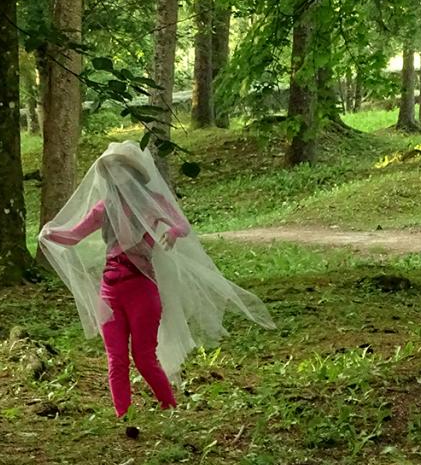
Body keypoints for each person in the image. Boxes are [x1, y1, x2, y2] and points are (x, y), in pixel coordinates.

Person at [38, 141, 274, 428]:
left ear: (130, 172)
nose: (113, 174)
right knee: (116, 359)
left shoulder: (152, 202)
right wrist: (51, 233)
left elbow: (182, 225)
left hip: (142, 287)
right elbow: (73, 236)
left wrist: (173, 232)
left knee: (144, 356)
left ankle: (169, 407)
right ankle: (123, 416)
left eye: (118, 168)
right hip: (110, 290)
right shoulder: (105, 208)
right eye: (109, 169)